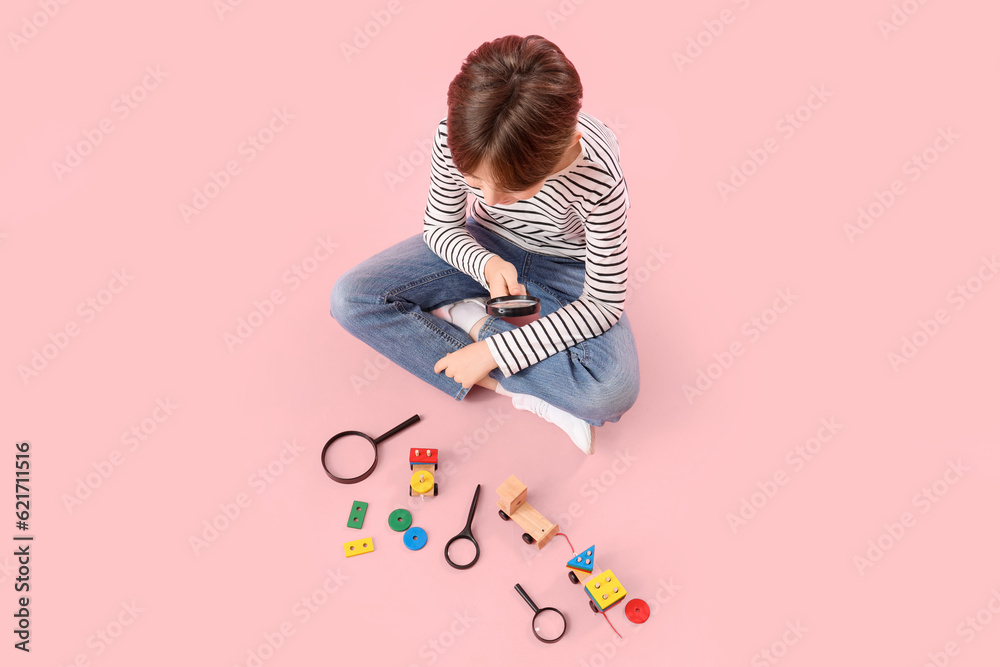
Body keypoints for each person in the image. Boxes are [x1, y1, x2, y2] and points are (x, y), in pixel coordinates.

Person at [330, 34, 639, 454]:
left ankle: (469, 319)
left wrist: (494, 347)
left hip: (566, 267)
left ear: (566, 148)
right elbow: (441, 228)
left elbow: (603, 303)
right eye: (475, 184)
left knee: (611, 392)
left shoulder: (599, 174)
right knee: (351, 298)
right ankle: (529, 392)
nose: (490, 201)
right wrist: (487, 265)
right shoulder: (457, 135)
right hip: (482, 243)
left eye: (513, 192)